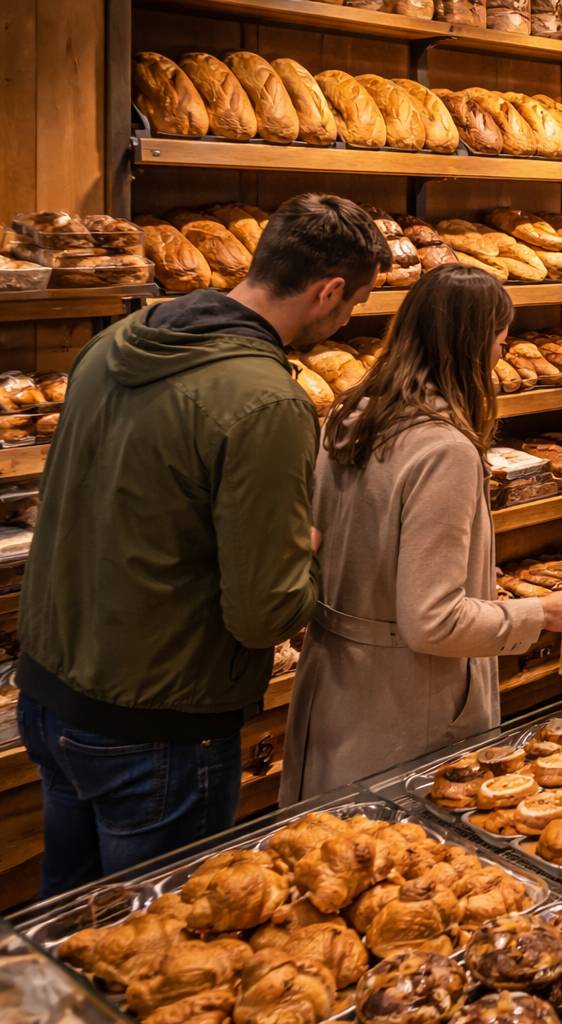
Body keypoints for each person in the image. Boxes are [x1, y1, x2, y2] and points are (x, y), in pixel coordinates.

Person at [16, 193, 391, 896]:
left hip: (50, 690)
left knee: (67, 938)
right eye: (352, 305)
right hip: (160, 723)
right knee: (164, 952)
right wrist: (305, 551)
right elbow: (264, 613)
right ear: (329, 290)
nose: (347, 320)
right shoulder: (267, 400)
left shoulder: (115, 345)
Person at [281, 266, 562, 802]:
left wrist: (471, 566)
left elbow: (353, 543)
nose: (501, 357)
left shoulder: (351, 413)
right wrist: (542, 613)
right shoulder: (443, 447)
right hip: (402, 700)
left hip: (334, 680)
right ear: (471, 346)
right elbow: (431, 621)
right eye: (499, 343)